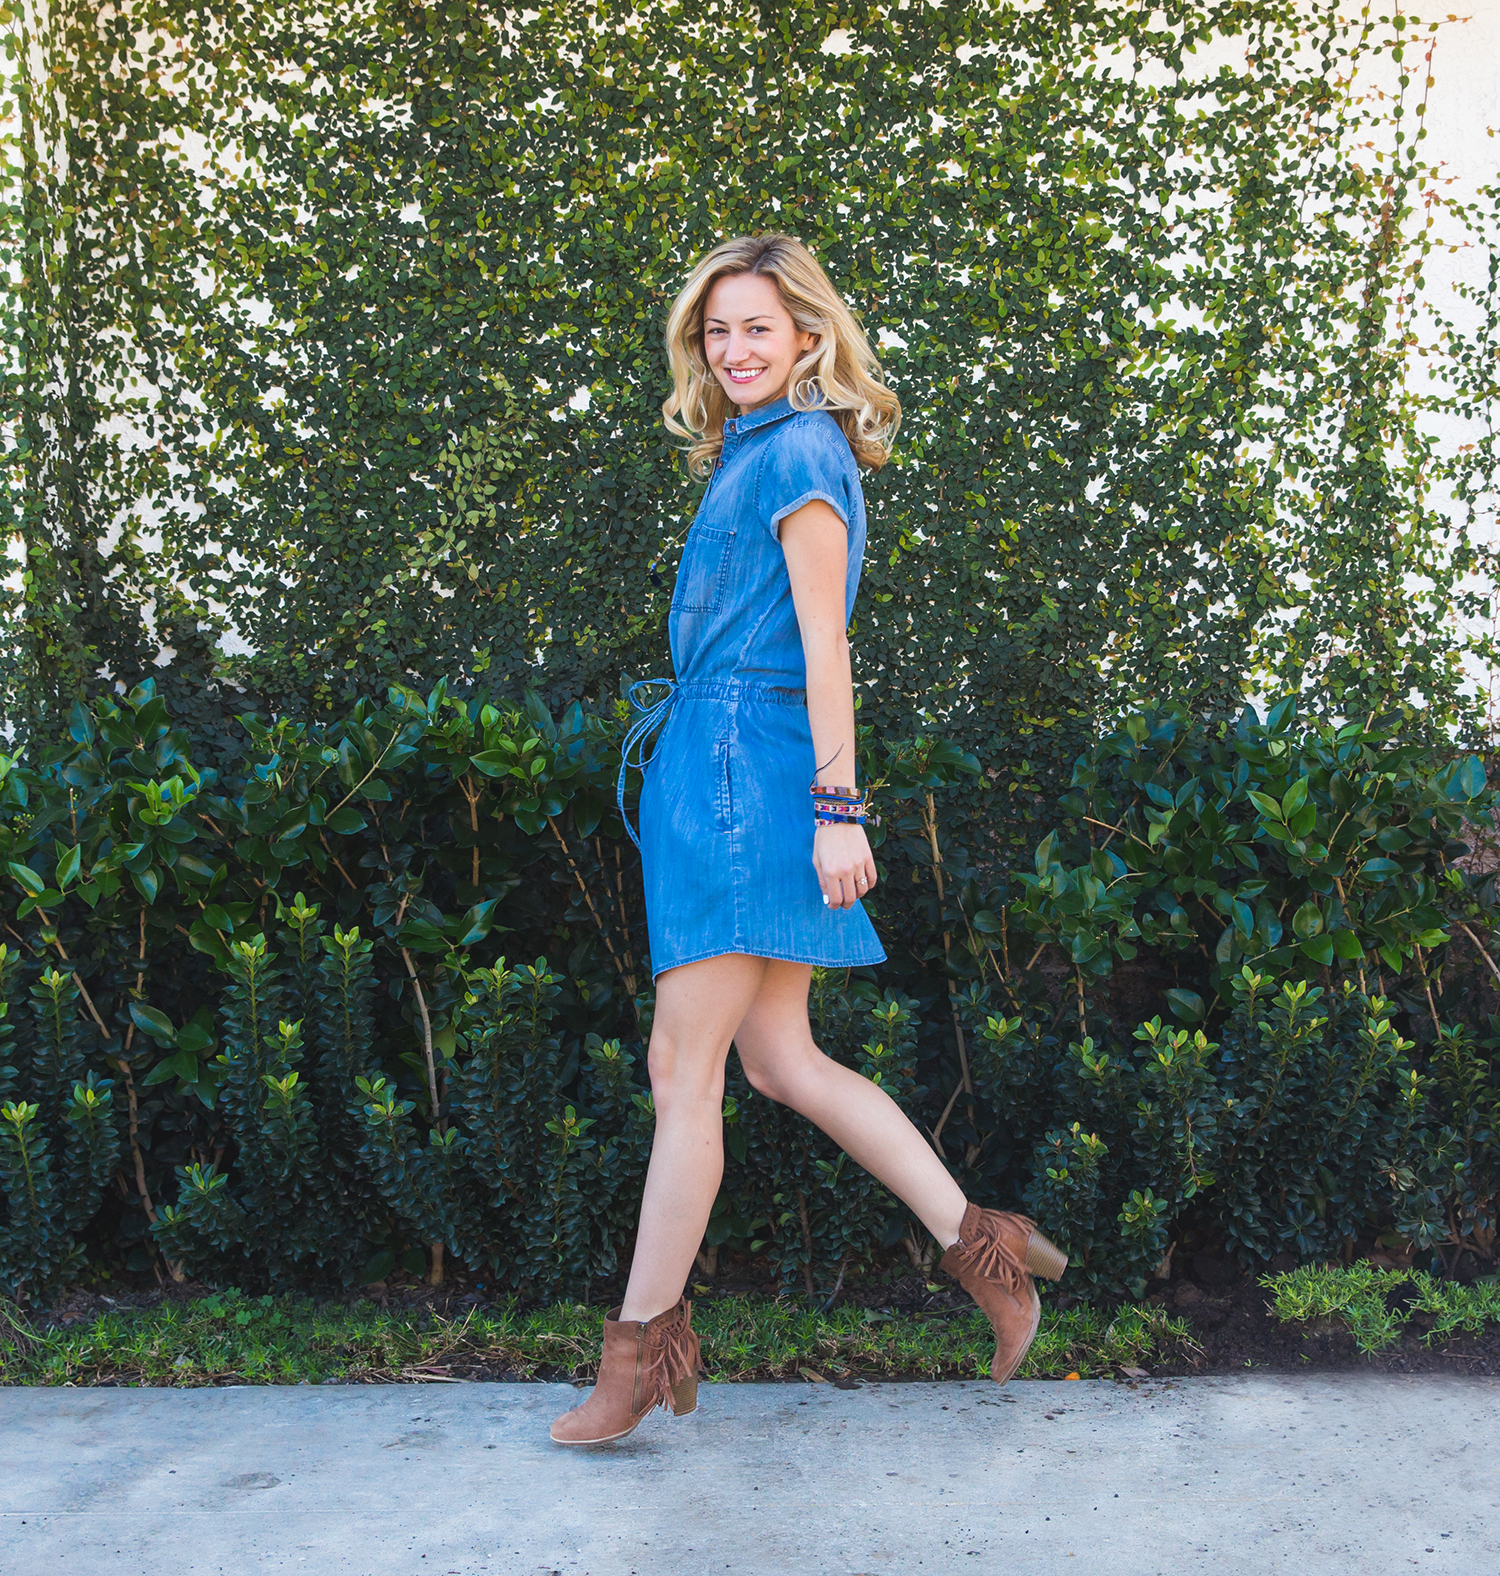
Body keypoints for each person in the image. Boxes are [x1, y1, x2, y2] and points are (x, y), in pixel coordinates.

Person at [550, 234, 1066, 1447]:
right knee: (779, 1061)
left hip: (744, 778)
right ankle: (986, 1252)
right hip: (719, 767)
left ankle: (634, 1357)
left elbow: (827, 645)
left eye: (758, 330)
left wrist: (840, 811)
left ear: (809, 340)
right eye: (716, 331)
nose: (734, 351)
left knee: (686, 1076)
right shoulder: (759, 448)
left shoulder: (803, 453)